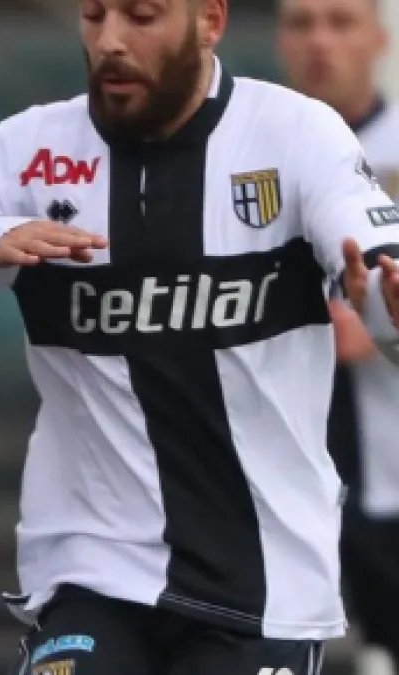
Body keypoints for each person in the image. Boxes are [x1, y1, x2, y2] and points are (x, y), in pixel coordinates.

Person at [0, 0, 399, 673]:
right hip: (88, 570)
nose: (110, 40)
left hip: (262, 583)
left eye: (142, 15)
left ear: (209, 21)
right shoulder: (23, 151)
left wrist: (386, 303)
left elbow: (375, 260)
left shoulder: (296, 133)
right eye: (94, 15)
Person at [278, 2, 399, 674]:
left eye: (340, 22)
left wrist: (374, 319)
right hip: (274, 462)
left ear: (378, 39)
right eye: (302, 24)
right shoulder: (245, 156)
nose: (320, 41)